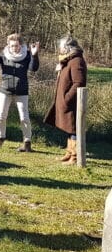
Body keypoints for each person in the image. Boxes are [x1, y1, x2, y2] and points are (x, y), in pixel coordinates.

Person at [0, 34, 39, 151]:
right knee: (1, 116)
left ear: (21, 45)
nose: (15, 48)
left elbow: (33, 68)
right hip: (5, 90)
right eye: (12, 45)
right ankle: (0, 138)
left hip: (22, 91)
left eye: (17, 45)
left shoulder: (27, 55)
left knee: (24, 118)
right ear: (8, 45)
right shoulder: (4, 55)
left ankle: (27, 142)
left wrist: (34, 55)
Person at [44, 36, 87, 165]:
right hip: (66, 102)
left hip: (73, 102)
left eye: (62, 47)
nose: (60, 49)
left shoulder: (77, 61)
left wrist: (66, 99)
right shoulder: (68, 61)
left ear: (68, 47)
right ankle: (69, 153)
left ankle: (75, 156)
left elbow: (78, 83)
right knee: (69, 128)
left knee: (74, 128)